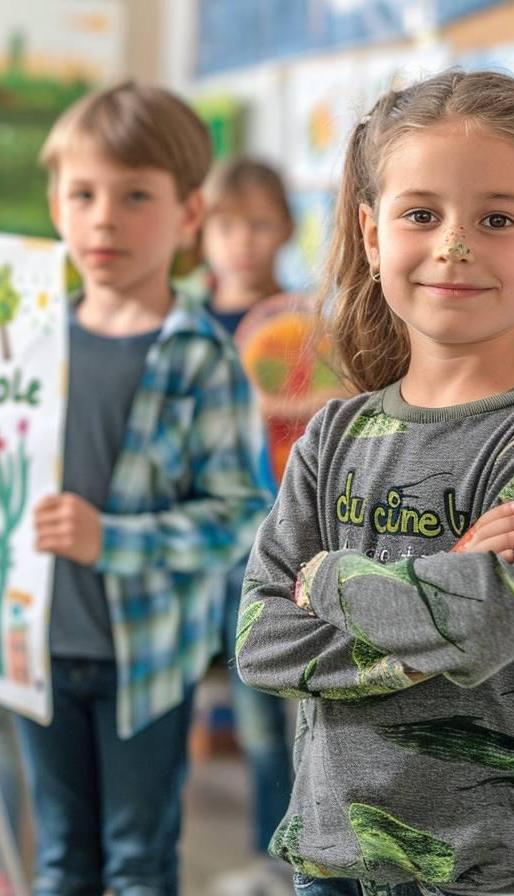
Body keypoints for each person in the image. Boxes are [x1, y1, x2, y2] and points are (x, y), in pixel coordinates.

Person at [235, 70, 514, 896]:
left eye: (496, 219)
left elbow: (486, 626)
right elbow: (259, 641)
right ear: (373, 233)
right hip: (330, 858)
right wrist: (439, 595)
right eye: (423, 214)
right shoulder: (333, 436)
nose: (454, 245)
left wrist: (330, 578)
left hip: (483, 869)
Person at [20, 81, 271, 896]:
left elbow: (238, 516)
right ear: (55, 203)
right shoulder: (27, 340)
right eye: (83, 193)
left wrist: (112, 540)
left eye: (135, 196)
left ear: (188, 215)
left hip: (147, 659)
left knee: (136, 858)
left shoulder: (201, 356)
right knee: (61, 857)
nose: (104, 219)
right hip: (39, 648)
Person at [198, 158, 297, 896]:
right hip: (188, 540)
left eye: (260, 223)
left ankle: (275, 859)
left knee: (265, 715)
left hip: (267, 539)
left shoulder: (302, 324)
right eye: (228, 224)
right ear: (200, 229)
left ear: (285, 229)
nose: (243, 241)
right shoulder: (183, 321)